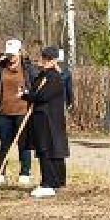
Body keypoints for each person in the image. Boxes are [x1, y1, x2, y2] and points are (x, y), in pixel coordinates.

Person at [20, 45, 72, 198]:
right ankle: (54, 181)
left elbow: (42, 96)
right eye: (44, 57)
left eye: (47, 59)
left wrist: (26, 96)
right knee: (47, 149)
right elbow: (35, 91)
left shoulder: (55, 77)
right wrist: (28, 94)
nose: (44, 61)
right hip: (42, 118)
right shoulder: (42, 76)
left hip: (49, 119)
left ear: (53, 61)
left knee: (47, 150)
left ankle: (49, 183)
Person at [0, 39, 34, 185]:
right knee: (4, 144)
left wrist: (32, 97)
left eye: (13, 54)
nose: (10, 57)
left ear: (20, 52)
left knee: (23, 144)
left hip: (22, 111)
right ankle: (0, 174)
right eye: (8, 54)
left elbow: (36, 86)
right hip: (3, 112)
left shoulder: (28, 68)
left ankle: (25, 173)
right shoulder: (0, 69)